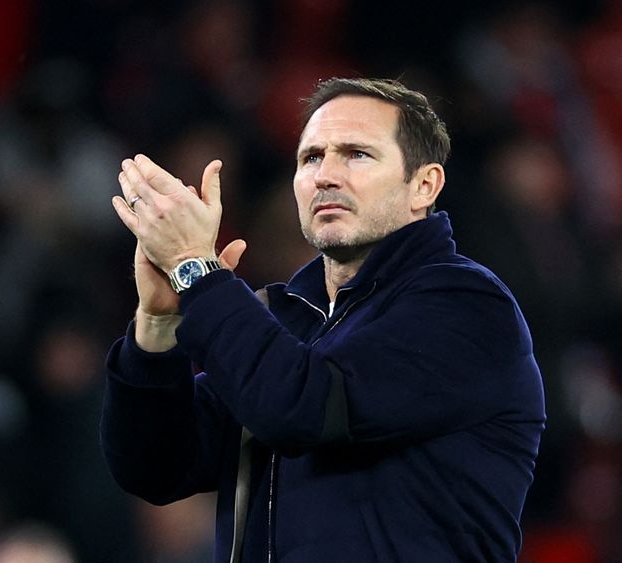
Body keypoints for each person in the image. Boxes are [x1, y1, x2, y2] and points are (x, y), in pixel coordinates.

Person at [101, 77, 545, 563]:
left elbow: (304, 408)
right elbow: (155, 466)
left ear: (424, 185)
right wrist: (158, 325)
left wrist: (195, 267)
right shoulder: (288, 321)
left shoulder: (467, 306)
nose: (325, 176)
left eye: (356, 154)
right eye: (311, 157)